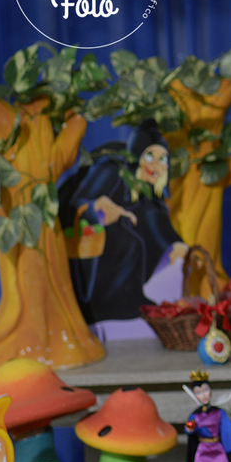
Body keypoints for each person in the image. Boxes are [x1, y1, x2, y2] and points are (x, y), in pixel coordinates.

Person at [62, 119, 187, 337]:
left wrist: (175, 245)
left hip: (130, 282)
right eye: (150, 156)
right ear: (137, 155)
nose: (155, 165)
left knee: (141, 243)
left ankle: (130, 301)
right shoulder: (113, 170)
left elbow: (157, 225)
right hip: (94, 248)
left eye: (162, 159)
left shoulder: (150, 194)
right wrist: (97, 208)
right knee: (129, 240)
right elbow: (80, 201)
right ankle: (109, 305)